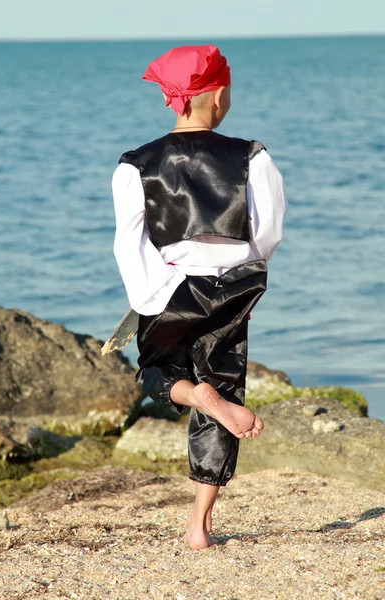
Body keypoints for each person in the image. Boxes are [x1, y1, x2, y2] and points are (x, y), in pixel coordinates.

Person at [112, 45, 287, 550]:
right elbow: (268, 230)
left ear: (173, 101)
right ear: (217, 94)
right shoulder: (252, 155)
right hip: (234, 286)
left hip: (170, 287)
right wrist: (240, 271)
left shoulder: (135, 164)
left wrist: (153, 295)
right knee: (225, 384)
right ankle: (198, 527)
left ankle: (193, 393)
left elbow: (130, 243)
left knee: (154, 373)